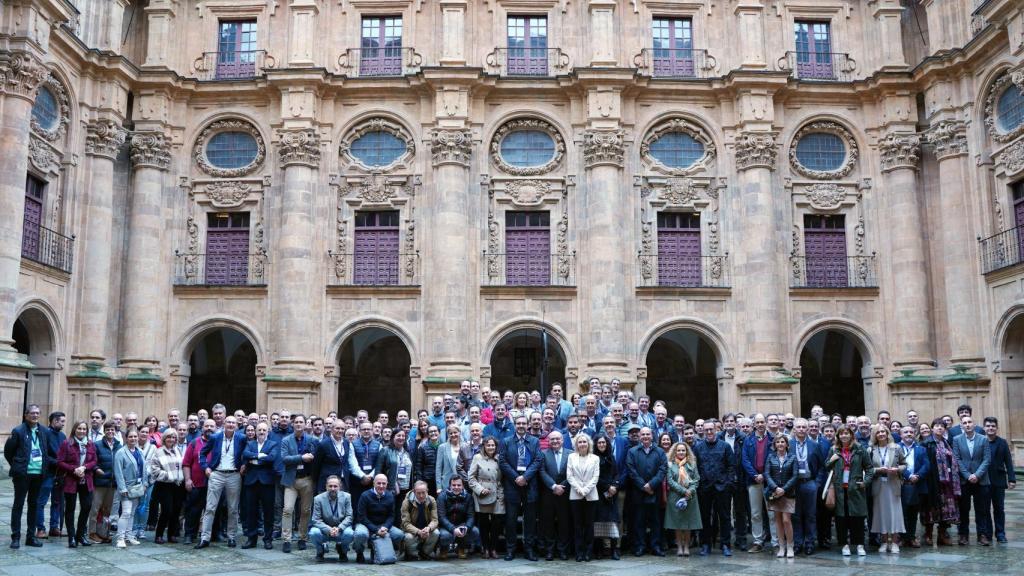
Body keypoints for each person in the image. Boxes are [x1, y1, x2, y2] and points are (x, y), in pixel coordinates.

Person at [4, 404, 50, 549]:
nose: (35, 415)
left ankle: (30, 537)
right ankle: (16, 537)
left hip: (38, 474)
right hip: (23, 474)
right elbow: (8, 452)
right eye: (32, 413)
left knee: (34, 505)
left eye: (37, 413)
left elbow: (45, 449)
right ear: (26, 415)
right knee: (18, 505)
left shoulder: (44, 431)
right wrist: (18, 465)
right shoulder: (18, 431)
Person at [197, 415, 247, 549]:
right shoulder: (215, 437)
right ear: (224, 423)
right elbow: (202, 453)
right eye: (228, 422)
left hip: (234, 475)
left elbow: (247, 453)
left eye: (233, 423)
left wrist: (244, 464)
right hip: (217, 474)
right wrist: (205, 467)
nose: (231, 424)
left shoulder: (241, 438)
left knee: (232, 508)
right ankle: (205, 538)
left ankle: (231, 537)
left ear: (236, 425)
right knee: (210, 507)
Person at [499, 415, 542, 561]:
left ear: (528, 425)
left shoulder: (535, 441)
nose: (521, 425)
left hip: (530, 485)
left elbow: (538, 460)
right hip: (512, 485)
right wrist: (516, 477)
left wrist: (525, 477)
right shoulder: (506, 441)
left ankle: (529, 549)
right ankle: (510, 550)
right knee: (510, 520)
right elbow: (502, 461)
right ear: (514, 425)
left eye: (524, 423)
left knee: (530, 520)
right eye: (518, 423)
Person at [826, 425, 872, 556]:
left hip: (856, 489)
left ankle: (859, 545)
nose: (844, 436)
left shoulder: (860, 449)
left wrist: (865, 482)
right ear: (838, 436)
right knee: (841, 518)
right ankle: (844, 545)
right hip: (840, 489)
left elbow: (869, 468)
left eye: (846, 433)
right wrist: (831, 460)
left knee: (857, 518)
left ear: (851, 435)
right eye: (841, 434)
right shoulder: (833, 449)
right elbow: (826, 466)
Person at [694, 421, 735, 557]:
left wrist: (727, 483)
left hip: (722, 488)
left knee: (724, 517)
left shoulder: (725, 446)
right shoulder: (698, 447)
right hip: (704, 488)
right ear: (703, 431)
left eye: (711, 429)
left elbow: (731, 466)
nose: (709, 432)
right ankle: (705, 544)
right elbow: (696, 467)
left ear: (716, 430)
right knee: (705, 517)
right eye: (707, 430)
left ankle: (725, 545)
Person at [626, 427, 667, 557]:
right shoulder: (632, 451)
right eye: (642, 434)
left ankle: (656, 546)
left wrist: (652, 484)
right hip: (639, 492)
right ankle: (640, 546)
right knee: (639, 521)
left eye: (647, 434)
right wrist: (643, 486)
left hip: (655, 492)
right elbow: (631, 471)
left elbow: (662, 469)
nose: (645, 436)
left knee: (656, 521)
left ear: (652, 435)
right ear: (639, 436)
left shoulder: (660, 451)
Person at [952, 415, 992, 546]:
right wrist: (967, 475)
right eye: (965, 423)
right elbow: (956, 459)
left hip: (980, 480)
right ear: (961, 425)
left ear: (974, 424)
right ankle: (963, 535)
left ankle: (982, 535)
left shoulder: (983, 439)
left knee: (982, 509)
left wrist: (977, 475)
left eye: (969, 422)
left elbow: (987, 459)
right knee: (964, 509)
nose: (967, 424)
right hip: (964, 481)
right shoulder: (957, 439)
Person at [55, 420, 96, 547]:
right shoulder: (67, 443)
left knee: (86, 506)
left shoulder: (90, 444)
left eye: (84, 429)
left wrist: (84, 467)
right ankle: (71, 537)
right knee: (70, 509)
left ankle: (80, 535)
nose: (82, 431)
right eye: (79, 428)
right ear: (74, 429)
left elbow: (94, 460)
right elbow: (60, 461)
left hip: (86, 479)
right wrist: (74, 469)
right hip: (70, 481)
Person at [921, 418, 960, 547]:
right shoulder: (926, 443)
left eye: (942, 426)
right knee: (931, 509)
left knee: (946, 510)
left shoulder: (947, 442)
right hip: (933, 481)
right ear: (932, 428)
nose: (939, 428)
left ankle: (942, 535)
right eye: (937, 426)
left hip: (947, 483)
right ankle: (928, 534)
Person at [280, 414, 316, 553]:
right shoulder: (286, 440)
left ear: (306, 424)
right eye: (296, 422)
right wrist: (301, 458)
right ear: (292, 424)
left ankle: (302, 537)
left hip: (307, 479)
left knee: (306, 511)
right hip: (291, 480)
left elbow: (315, 457)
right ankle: (286, 539)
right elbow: (284, 458)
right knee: (288, 509)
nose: (299, 424)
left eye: (301, 422)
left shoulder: (312, 440)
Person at [242, 422, 281, 549]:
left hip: (267, 482)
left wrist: (254, 460)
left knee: (268, 512)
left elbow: (272, 458)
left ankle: (267, 539)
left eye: (264, 430)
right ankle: (251, 539)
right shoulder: (250, 443)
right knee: (251, 511)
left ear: (268, 432)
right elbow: (245, 455)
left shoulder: (273, 444)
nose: (262, 432)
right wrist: (259, 456)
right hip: (251, 481)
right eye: (259, 430)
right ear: (255, 432)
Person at [870, 424, 906, 553]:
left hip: (893, 484)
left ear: (887, 433)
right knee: (881, 514)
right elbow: (867, 469)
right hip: (879, 485)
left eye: (883, 431)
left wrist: (898, 469)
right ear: (874, 435)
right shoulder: (870, 450)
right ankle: (884, 542)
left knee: (895, 514)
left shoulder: (896, 448)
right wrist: (877, 470)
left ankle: (895, 542)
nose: (881, 434)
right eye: (878, 432)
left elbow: (904, 464)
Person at [741, 413, 775, 553]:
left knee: (772, 513)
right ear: (754, 424)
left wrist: (764, 475)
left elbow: (773, 458)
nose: (760, 424)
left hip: (769, 482)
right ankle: (757, 541)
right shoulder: (748, 440)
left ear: (766, 423)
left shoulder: (773, 440)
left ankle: (776, 542)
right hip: (753, 480)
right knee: (755, 513)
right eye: (758, 422)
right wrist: (755, 475)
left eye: (762, 422)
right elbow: (745, 460)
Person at [790, 418, 823, 555]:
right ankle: (797, 543)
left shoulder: (814, 445)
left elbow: (822, 466)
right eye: (799, 427)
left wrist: (817, 483)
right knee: (796, 515)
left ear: (808, 429)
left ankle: (809, 543)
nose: (802, 429)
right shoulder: (789, 444)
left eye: (804, 427)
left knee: (810, 515)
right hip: (794, 484)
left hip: (810, 483)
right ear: (795, 429)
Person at [309, 475, 360, 562]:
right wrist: (329, 529)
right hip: (324, 530)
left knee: (350, 533)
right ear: (326, 486)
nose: (333, 488)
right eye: (330, 486)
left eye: (335, 486)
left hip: (341, 529)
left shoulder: (347, 497)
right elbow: (315, 519)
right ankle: (320, 551)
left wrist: (339, 528)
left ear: (340, 487)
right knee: (313, 532)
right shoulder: (318, 499)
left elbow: (349, 516)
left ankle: (343, 551)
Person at [468, 436, 504, 559]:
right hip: (483, 493)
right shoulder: (477, 457)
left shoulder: (499, 458)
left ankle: (493, 548)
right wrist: (480, 489)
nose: (491, 447)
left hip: (497, 492)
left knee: (496, 522)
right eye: (488, 445)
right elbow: (471, 478)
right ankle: (485, 548)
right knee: (483, 522)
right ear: (484, 446)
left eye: (493, 445)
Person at [355, 474, 405, 564]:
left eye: (383, 483)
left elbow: (391, 516)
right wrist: (376, 530)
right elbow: (361, 517)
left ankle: (381, 550)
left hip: (382, 526)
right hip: (366, 525)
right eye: (378, 483)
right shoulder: (365, 495)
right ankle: (359, 552)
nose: (381, 486)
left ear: (387, 484)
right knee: (360, 534)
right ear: (373, 483)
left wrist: (385, 527)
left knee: (399, 534)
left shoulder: (390, 496)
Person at [539, 430, 572, 560]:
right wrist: (553, 486)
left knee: (564, 523)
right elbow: (542, 472)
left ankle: (563, 550)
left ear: (562, 440)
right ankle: (550, 550)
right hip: (548, 494)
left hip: (565, 493)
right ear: (548, 441)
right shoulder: (543, 454)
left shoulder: (571, 454)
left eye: (557, 439)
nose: (555, 441)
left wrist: (562, 486)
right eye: (552, 439)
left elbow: (573, 472)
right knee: (548, 524)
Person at [147, 429, 185, 544]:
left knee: (176, 510)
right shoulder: (158, 452)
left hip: (178, 485)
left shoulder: (178, 450)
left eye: (173, 437)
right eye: (169, 437)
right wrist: (171, 476)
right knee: (166, 510)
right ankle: (159, 535)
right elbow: (154, 471)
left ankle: (172, 535)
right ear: (164, 439)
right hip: (164, 485)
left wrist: (179, 477)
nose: (171, 439)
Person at [567, 433, 599, 562]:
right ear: (576, 444)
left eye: (584, 442)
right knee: (577, 525)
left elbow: (595, 477)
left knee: (589, 525)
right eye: (579, 442)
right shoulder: (571, 457)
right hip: (575, 495)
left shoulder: (595, 458)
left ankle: (588, 552)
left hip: (591, 495)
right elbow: (569, 476)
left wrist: (585, 490)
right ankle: (579, 552)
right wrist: (579, 489)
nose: (582, 444)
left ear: (588, 444)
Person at [665, 441, 701, 557]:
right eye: (679, 450)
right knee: (677, 523)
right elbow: (670, 481)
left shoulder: (692, 463)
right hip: (675, 496)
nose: (681, 452)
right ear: (675, 452)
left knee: (688, 523)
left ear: (687, 452)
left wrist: (690, 490)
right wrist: (683, 490)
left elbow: (696, 479)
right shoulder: (670, 464)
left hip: (690, 497)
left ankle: (686, 546)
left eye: (683, 450)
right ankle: (679, 546)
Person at [983, 417, 1016, 543]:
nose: (990, 428)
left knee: (999, 508)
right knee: (985, 509)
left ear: (996, 428)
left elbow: (1008, 462)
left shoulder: (1002, 442)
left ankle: (1000, 533)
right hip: (984, 481)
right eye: (988, 426)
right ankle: (987, 533)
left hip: (998, 480)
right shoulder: (980, 441)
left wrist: (1012, 479)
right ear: (984, 427)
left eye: (993, 426)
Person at [181, 418, 214, 545]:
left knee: (212, 510)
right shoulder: (194, 443)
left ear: (215, 428)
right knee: (193, 510)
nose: (209, 428)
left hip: (213, 484)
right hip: (196, 483)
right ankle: (189, 534)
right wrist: (188, 479)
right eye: (207, 426)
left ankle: (212, 534)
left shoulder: (218, 443)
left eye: (212, 426)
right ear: (202, 428)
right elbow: (186, 463)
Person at [87, 420, 120, 543]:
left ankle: (103, 533)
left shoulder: (119, 446)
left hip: (112, 483)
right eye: (107, 430)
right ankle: (92, 532)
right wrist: (96, 469)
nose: (110, 432)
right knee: (95, 508)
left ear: (115, 431)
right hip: (100, 482)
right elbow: (92, 461)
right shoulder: (97, 445)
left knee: (107, 510)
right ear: (104, 431)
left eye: (112, 429)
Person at [765, 434, 797, 558]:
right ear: (775, 445)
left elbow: (795, 476)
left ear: (787, 444)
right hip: (774, 492)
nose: (780, 444)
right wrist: (775, 488)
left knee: (786, 520)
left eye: (782, 442)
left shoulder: (793, 457)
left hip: (788, 493)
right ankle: (781, 546)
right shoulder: (770, 457)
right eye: (778, 442)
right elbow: (767, 474)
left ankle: (790, 546)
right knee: (777, 521)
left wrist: (784, 489)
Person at [113, 428, 146, 549]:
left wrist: (145, 484)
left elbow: (144, 469)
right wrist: (122, 488)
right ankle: (120, 538)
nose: (133, 439)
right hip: (126, 487)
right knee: (126, 512)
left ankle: (129, 535)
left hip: (137, 487)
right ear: (126, 438)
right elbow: (118, 472)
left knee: (132, 513)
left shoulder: (139, 451)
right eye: (130, 437)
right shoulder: (121, 453)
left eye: (135, 437)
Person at [898, 424, 930, 548]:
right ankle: (903, 537)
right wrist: (908, 475)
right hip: (902, 484)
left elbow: (926, 465)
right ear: (901, 435)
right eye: (905, 432)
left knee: (913, 512)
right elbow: (895, 464)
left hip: (917, 485)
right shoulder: (896, 448)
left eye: (911, 432)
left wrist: (917, 476)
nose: (909, 434)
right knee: (902, 513)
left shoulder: (921, 448)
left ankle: (911, 537)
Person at [36, 411, 66, 540]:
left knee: (57, 502)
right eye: (62, 421)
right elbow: (43, 454)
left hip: (60, 474)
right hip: (47, 473)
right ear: (54, 421)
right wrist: (59, 463)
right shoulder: (45, 434)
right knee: (41, 502)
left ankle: (54, 527)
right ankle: (40, 529)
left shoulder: (63, 436)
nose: (64, 424)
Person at [592, 434, 622, 559]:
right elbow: (595, 477)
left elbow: (616, 474)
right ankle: (599, 550)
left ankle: (614, 550)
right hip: (599, 494)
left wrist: (614, 486)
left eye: (603, 442)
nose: (602, 445)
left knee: (612, 522)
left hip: (612, 495)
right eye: (599, 443)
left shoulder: (611, 457)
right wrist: (607, 488)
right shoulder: (593, 458)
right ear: (596, 445)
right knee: (598, 522)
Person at [376, 429, 415, 521]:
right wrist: (393, 483)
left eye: (403, 436)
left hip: (406, 488)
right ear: (393, 437)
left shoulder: (407, 453)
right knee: (391, 511)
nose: (401, 438)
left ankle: (400, 530)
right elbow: (378, 470)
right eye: (398, 436)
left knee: (402, 512)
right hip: (391, 488)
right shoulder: (385, 450)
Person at [437, 475, 478, 559]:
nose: (456, 487)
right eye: (454, 485)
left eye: (459, 485)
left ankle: (461, 547)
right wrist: (453, 529)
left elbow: (471, 516)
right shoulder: (442, 496)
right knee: (445, 536)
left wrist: (467, 527)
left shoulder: (468, 497)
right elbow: (441, 517)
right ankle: (444, 548)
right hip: (446, 527)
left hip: (461, 524)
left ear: (463, 486)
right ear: (450, 485)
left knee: (474, 531)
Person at [401, 480, 440, 560]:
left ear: (427, 491)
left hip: (426, 529)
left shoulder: (432, 501)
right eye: (418, 493)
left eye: (423, 492)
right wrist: (418, 532)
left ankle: (425, 553)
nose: (421, 495)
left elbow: (435, 520)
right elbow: (406, 523)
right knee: (408, 537)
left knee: (436, 532)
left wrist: (428, 528)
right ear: (414, 492)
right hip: (412, 531)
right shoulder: (407, 502)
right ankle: (413, 554)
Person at [436, 424, 471, 495]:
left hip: (463, 483)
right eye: (450, 433)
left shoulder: (466, 446)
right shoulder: (442, 447)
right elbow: (438, 469)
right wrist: (438, 487)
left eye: (455, 432)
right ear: (448, 435)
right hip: (447, 483)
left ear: (459, 433)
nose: (453, 435)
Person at [414, 425, 440, 495]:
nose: (433, 433)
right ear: (428, 434)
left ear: (439, 433)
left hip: (440, 480)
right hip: (427, 480)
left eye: (435, 431)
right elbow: (418, 465)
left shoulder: (443, 446)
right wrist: (419, 481)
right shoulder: (422, 448)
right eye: (431, 432)